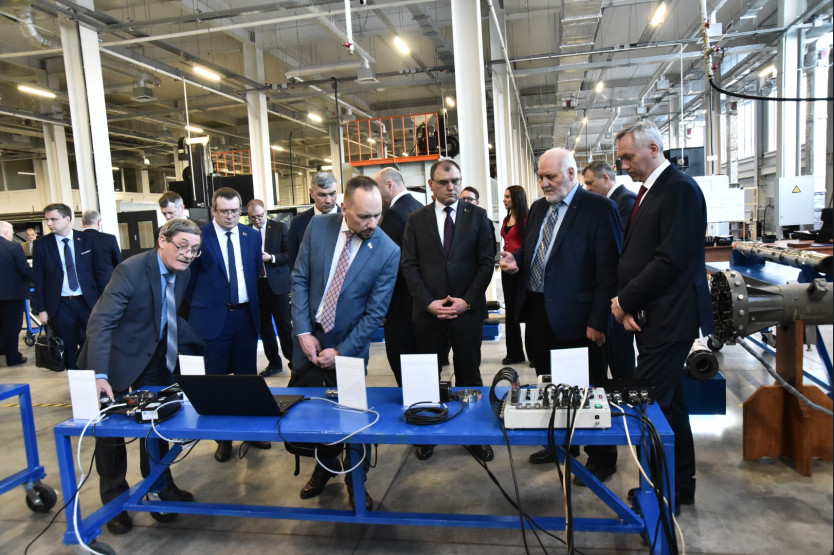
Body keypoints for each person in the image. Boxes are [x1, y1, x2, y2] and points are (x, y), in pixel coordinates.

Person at [498, 148, 621, 481]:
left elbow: (609, 271)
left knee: (587, 387)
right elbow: (535, 249)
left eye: (550, 177)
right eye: (540, 177)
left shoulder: (599, 209)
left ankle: (602, 457)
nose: (544, 184)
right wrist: (516, 260)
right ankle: (563, 444)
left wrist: (598, 320)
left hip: (579, 318)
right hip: (539, 313)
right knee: (550, 384)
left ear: (570, 173)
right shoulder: (539, 209)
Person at [78, 219, 204, 535]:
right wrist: (99, 375)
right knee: (111, 435)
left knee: (157, 425)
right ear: (162, 240)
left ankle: (159, 487)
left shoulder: (183, 271)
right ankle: (114, 502)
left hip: (151, 355)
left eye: (195, 250)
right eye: (183, 246)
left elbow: (167, 313)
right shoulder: (130, 271)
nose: (189, 255)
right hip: (115, 356)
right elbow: (101, 323)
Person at [611, 121, 713, 513]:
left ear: (653, 149)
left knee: (649, 406)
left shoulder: (679, 190)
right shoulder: (652, 192)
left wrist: (624, 301)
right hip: (654, 315)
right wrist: (632, 305)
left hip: (671, 317)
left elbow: (669, 260)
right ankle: (679, 484)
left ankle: (658, 495)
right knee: (671, 407)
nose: (624, 166)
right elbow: (641, 255)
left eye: (628, 157)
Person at [290, 175, 399, 511]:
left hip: (349, 348)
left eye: (377, 214)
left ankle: (356, 481)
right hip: (308, 341)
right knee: (314, 415)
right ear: (344, 209)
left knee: (352, 419)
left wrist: (341, 351)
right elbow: (300, 279)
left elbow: (375, 313)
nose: (372, 223)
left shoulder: (387, 250)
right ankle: (325, 467)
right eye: (364, 216)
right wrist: (303, 332)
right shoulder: (318, 227)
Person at [401, 159, 495, 463]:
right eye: (444, 182)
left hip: (467, 312)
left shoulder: (478, 216)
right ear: (431, 185)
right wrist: (428, 302)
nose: (451, 187)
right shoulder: (416, 220)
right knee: (427, 377)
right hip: (428, 314)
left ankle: (474, 435)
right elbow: (409, 265)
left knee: (469, 374)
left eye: (455, 180)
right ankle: (427, 433)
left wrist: (466, 301)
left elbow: (486, 264)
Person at [185, 187, 270, 462]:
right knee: (217, 381)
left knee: (247, 379)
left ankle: (251, 433)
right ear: (213, 210)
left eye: (235, 211)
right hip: (212, 319)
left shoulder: (250, 236)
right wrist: (203, 307)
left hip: (245, 317)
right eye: (224, 211)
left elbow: (253, 273)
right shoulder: (200, 236)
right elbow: (188, 280)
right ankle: (223, 439)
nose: (231, 216)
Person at [32, 203, 107, 370]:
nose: (49, 223)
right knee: (68, 347)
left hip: (88, 302)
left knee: (94, 342)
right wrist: (41, 309)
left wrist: (106, 301)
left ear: (67, 219)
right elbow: (39, 279)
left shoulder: (87, 240)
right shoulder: (42, 245)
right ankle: (76, 380)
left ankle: (97, 378)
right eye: (47, 220)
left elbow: (100, 272)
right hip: (60, 305)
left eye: (53, 219)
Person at [582, 161, 637, 380]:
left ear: (606, 178)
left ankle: (625, 395)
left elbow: (615, 248)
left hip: (619, 290)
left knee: (620, 355)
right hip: (606, 291)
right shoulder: (608, 203)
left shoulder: (624, 201)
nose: (587, 188)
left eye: (590, 183)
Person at [373, 167, 423, 386]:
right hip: (421, 303)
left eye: (377, 189)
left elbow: (389, 265)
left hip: (400, 305)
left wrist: (382, 306)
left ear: (389, 185)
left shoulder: (393, 214)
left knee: (402, 360)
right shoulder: (421, 208)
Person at [246, 199, 293, 377]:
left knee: (284, 327)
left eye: (259, 216)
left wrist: (271, 258)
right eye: (252, 217)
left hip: (278, 286)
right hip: (257, 286)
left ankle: (294, 363)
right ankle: (274, 363)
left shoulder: (280, 227)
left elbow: (289, 255)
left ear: (265, 212)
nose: (256, 220)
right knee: (264, 327)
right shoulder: (245, 232)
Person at [500, 185, 528, 366]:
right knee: (510, 311)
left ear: (517, 198)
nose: (504, 200)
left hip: (521, 268)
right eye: (505, 197)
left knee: (527, 309)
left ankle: (534, 354)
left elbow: (528, 245)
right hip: (506, 270)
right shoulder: (506, 219)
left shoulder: (526, 220)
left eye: (508, 197)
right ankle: (514, 353)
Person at [287, 171, 339, 269]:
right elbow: (294, 264)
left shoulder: (349, 220)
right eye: (322, 195)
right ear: (312, 193)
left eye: (332, 194)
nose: (328, 201)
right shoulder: (298, 223)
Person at [0, 221, 32, 367]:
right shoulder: (14, 247)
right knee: (12, 327)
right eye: (12, 232)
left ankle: (2, 349)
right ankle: (13, 357)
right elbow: (24, 269)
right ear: (6, 232)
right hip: (12, 295)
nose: (12, 235)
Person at [82, 209, 123, 284]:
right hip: (107, 282)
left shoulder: (77, 239)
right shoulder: (109, 238)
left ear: (82, 222)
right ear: (99, 222)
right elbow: (118, 263)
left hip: (85, 284)